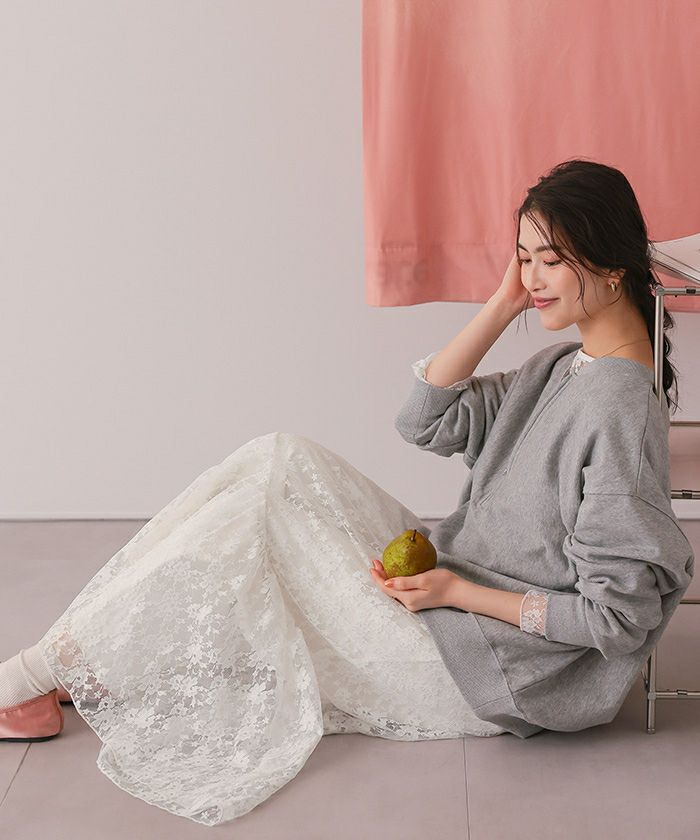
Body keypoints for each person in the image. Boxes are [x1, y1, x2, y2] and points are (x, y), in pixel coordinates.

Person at [0, 159, 694, 826]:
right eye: (523, 259)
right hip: (446, 602)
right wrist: (502, 303)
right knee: (280, 459)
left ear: (611, 266)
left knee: (266, 500)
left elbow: (615, 619)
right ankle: (79, 661)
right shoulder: (564, 366)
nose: (532, 279)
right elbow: (423, 419)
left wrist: (457, 593)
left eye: (551, 260)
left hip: (481, 667)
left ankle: (40, 674)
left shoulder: (618, 408)